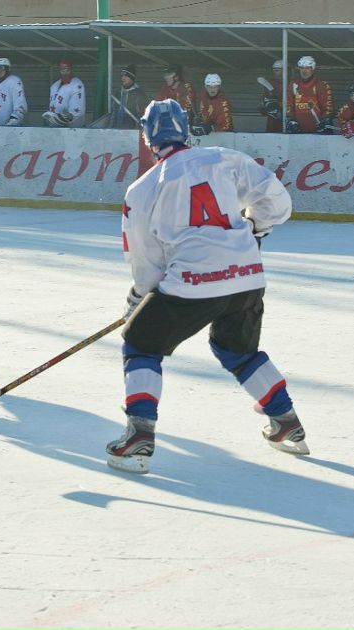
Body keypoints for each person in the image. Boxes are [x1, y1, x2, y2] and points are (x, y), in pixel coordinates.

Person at [109, 98, 307, 474]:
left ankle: (139, 435)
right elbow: (278, 202)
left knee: (140, 344)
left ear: (148, 137)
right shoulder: (224, 157)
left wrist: (138, 301)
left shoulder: (142, 188)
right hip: (247, 275)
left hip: (194, 283)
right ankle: (285, 421)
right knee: (239, 350)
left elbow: (145, 261)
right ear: (186, 129)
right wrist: (255, 225)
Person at [287, 56, 333, 134]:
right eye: (301, 68)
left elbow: (328, 107)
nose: (304, 71)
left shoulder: (322, 85)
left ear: (313, 69)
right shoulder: (293, 84)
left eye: (307, 68)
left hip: (318, 130)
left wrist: (325, 121)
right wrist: (290, 119)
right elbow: (288, 104)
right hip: (298, 130)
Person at [42, 58, 86, 127]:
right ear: (59, 70)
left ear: (71, 69)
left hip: (72, 129)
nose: (65, 71)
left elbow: (76, 113)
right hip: (53, 127)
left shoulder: (77, 85)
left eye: (67, 69)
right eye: (63, 69)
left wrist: (61, 118)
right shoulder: (54, 86)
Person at [154, 64, 197, 128]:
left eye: (168, 75)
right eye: (165, 75)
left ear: (177, 77)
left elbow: (185, 113)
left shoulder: (187, 88)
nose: (165, 77)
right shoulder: (164, 89)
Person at [258, 59, 285, 133]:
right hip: (272, 118)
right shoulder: (270, 82)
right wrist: (263, 106)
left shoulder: (290, 83)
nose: (275, 72)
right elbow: (263, 101)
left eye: (277, 70)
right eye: (274, 70)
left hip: (286, 117)